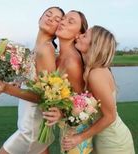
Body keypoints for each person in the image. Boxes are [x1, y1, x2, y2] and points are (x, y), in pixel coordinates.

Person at [0, 6, 64, 154]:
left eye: (57, 20)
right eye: (48, 14)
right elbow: (32, 84)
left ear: (57, 29)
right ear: (39, 19)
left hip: (31, 128)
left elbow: (45, 97)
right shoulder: (35, 50)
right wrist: (11, 84)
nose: (51, 19)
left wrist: (6, 88)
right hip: (31, 123)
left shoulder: (46, 50)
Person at [62, 25, 135, 154]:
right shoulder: (93, 70)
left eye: (84, 36)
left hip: (113, 142)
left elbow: (110, 116)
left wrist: (79, 137)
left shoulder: (96, 74)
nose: (78, 36)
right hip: (103, 138)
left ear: (94, 44)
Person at [42, 10, 93, 154]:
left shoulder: (72, 62)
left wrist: (61, 113)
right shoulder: (58, 57)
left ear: (78, 34)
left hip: (76, 134)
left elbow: (81, 102)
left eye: (70, 21)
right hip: (65, 129)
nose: (63, 22)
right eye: (63, 19)